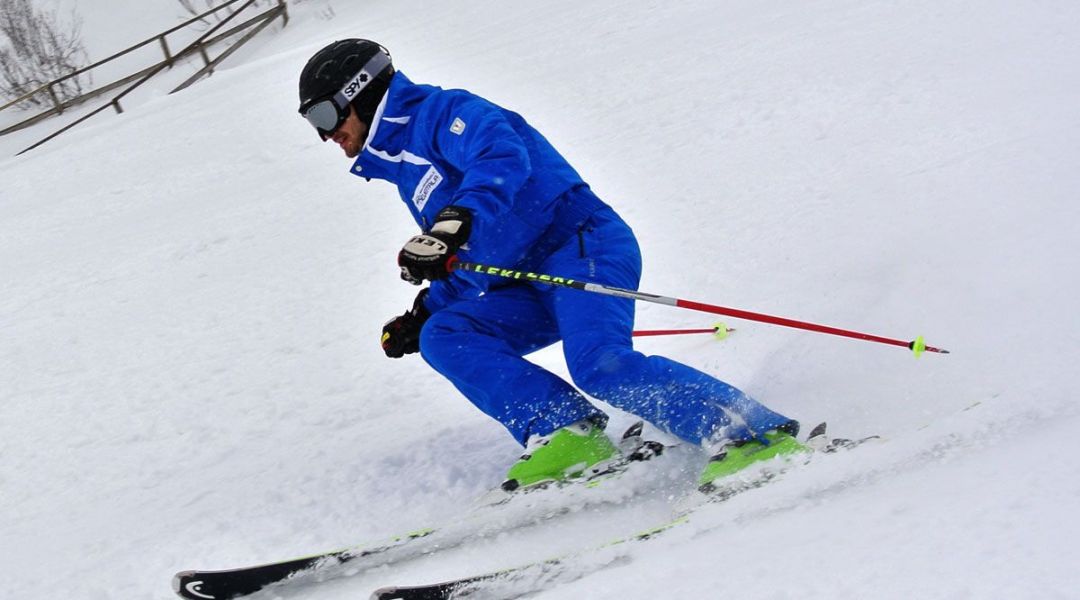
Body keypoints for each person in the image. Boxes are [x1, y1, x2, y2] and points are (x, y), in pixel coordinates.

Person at [297, 39, 805, 491]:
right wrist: (426, 310)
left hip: (582, 246)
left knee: (600, 365)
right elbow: (472, 252)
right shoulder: (404, 167)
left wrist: (452, 223)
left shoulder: (443, 112)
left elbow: (500, 157)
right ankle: (569, 432)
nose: (327, 137)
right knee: (446, 335)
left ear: (358, 94)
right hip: (525, 282)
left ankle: (747, 434)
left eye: (324, 117)